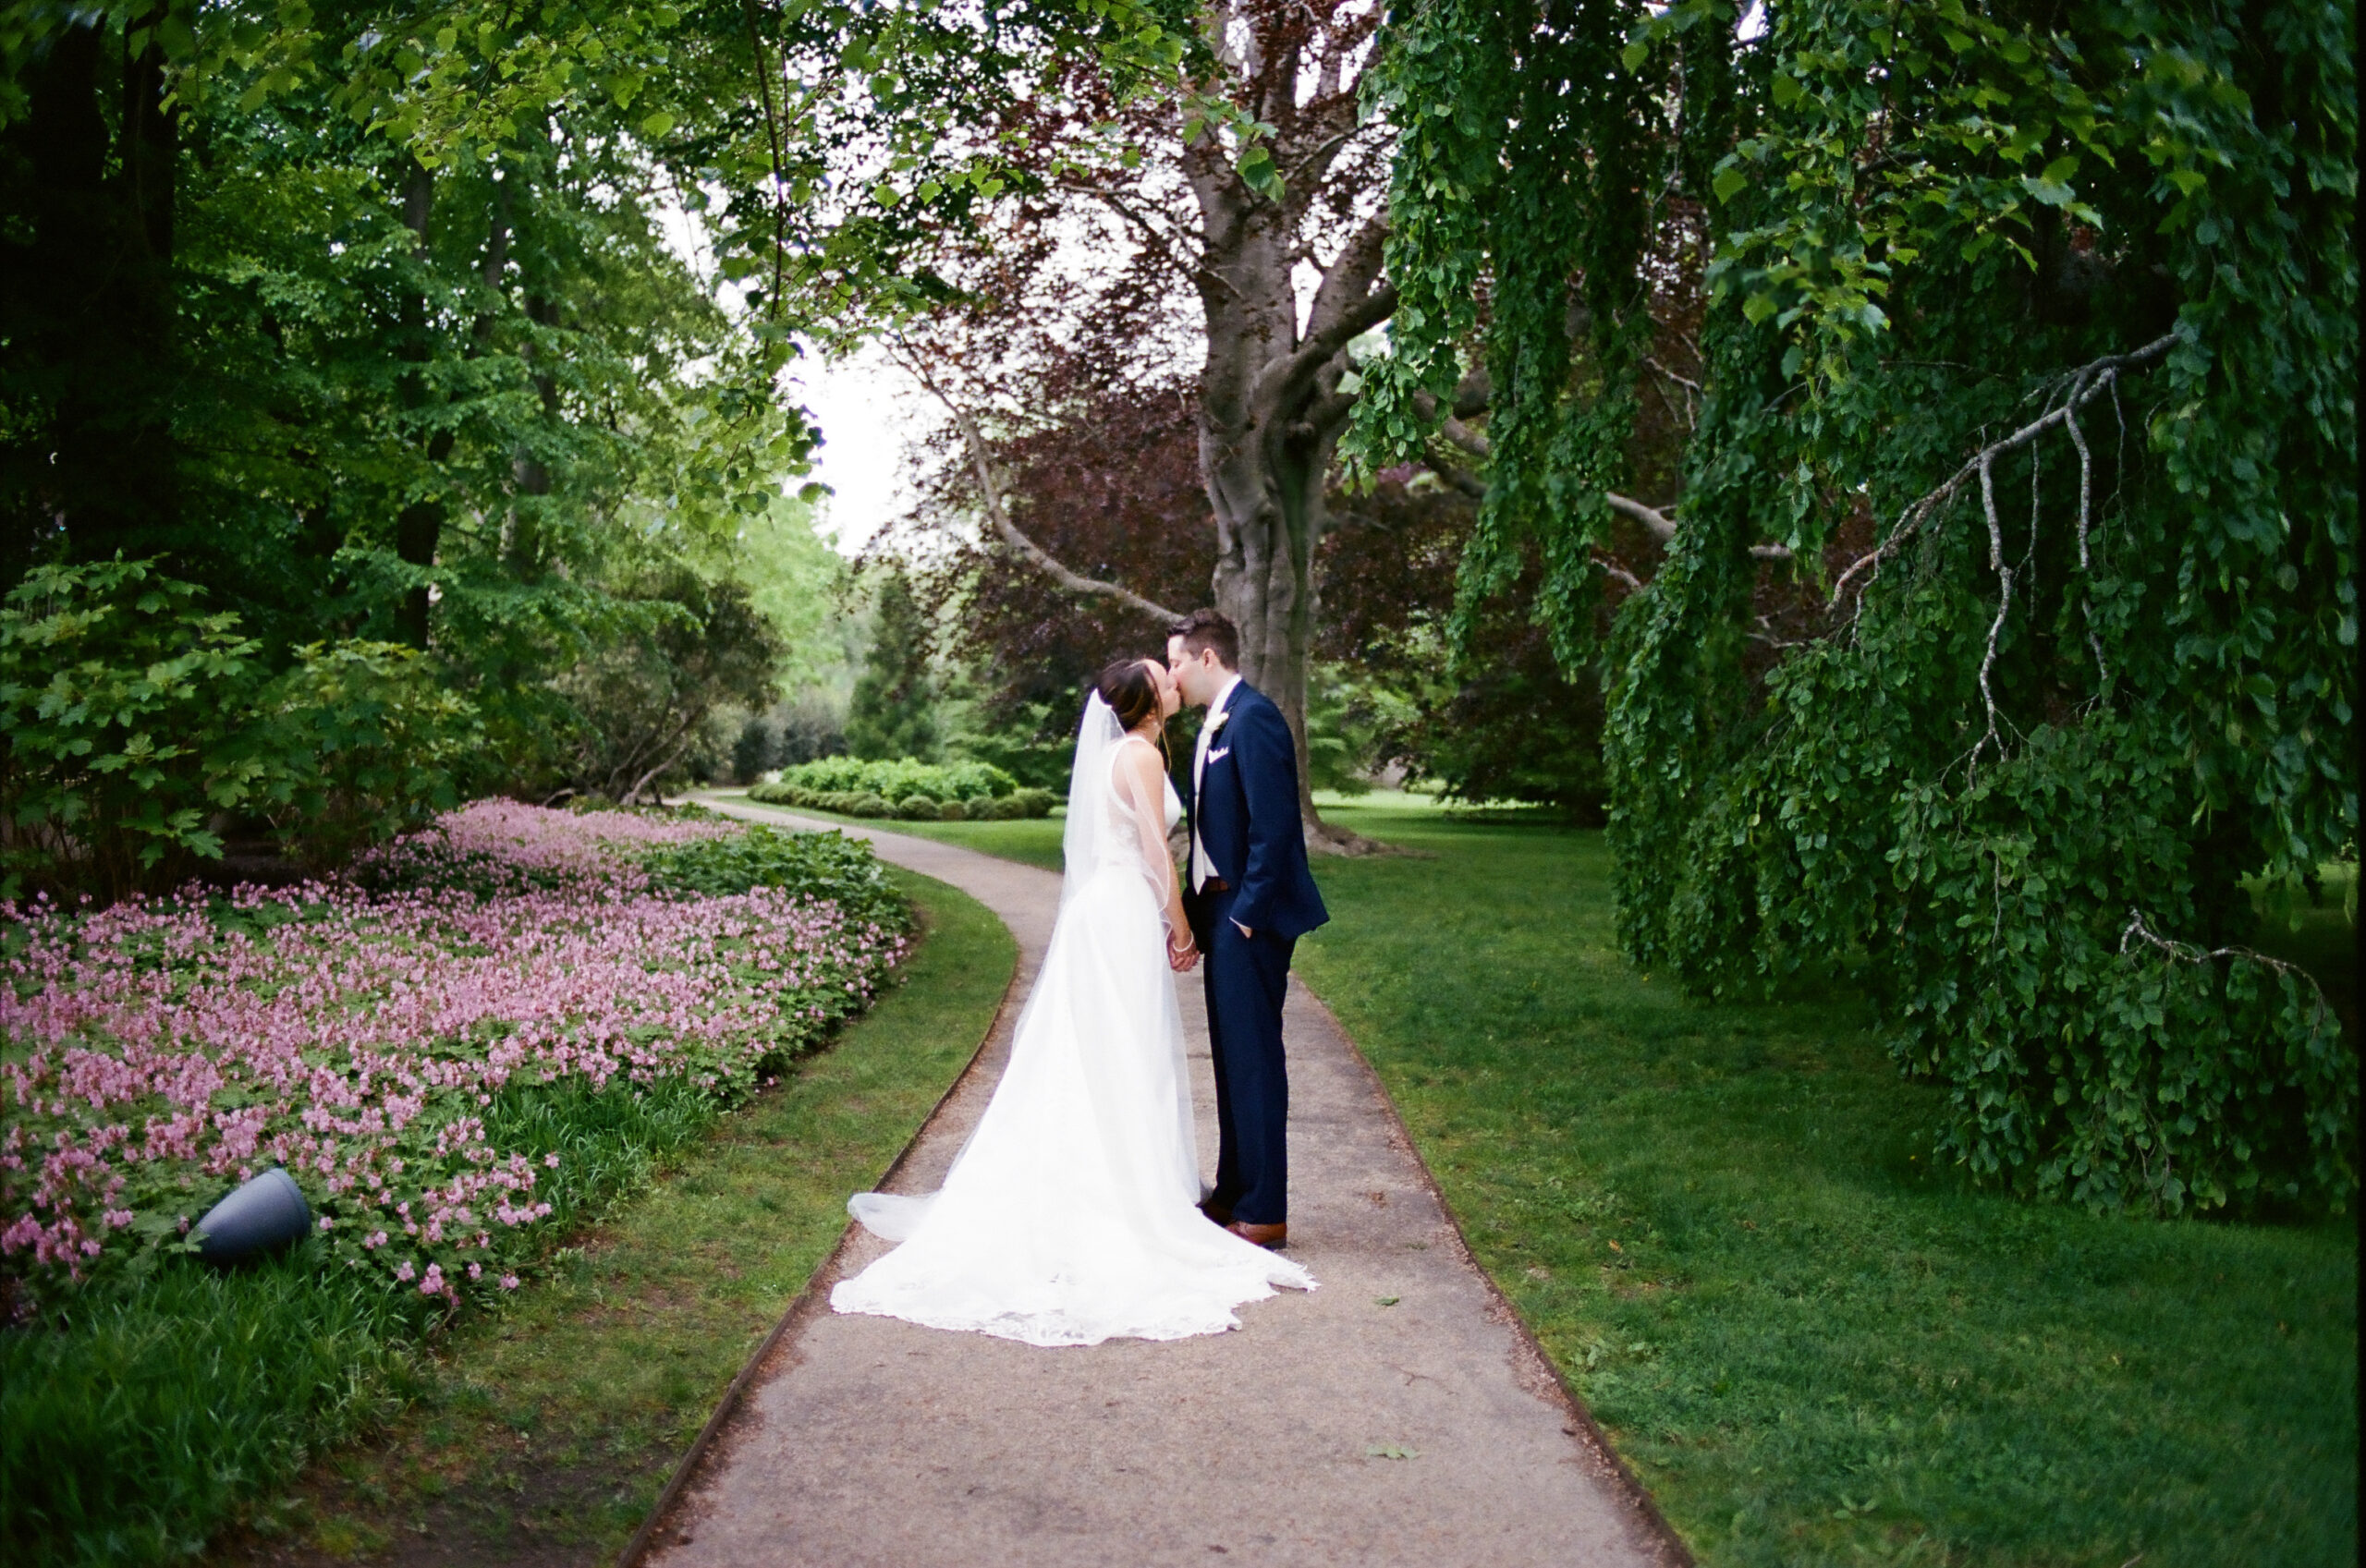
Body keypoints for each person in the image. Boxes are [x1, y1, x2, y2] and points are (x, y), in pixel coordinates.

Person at [829, 657, 1313, 1345]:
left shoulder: (1126, 750)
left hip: (1105, 910)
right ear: (1148, 700)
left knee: (1097, 1050)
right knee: (1124, 1050)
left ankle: (1110, 1177)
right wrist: (1181, 926)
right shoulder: (1141, 755)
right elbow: (1152, 850)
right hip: (1122, 914)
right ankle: (1122, 1192)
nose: (1174, 678)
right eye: (1162, 674)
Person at [1165, 609, 1329, 1250]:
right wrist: (1195, 908)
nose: (1172, 672)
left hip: (1249, 920)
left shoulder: (1255, 718)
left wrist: (1245, 916)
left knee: (1256, 1060)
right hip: (1219, 912)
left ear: (1208, 659)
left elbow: (1274, 828)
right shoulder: (1212, 727)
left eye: (1177, 660)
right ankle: (1233, 1190)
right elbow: (1212, 835)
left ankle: (1265, 1207)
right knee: (1234, 1061)